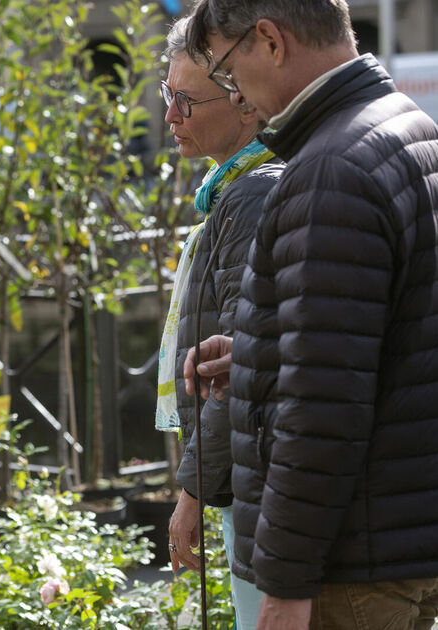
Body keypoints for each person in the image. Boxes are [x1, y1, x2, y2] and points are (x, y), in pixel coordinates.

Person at [183, 1, 438, 627]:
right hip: (402, 540)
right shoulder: (406, 124)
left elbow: (321, 405)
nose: (235, 94)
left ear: (268, 40)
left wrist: (285, 589)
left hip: (349, 563)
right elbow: (394, 334)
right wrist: (260, 351)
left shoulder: (330, 168)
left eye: (224, 71)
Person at [153, 17, 281, 630]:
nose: (171, 116)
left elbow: (234, 365)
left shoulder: (253, 194)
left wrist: (191, 493)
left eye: (186, 100)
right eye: (165, 95)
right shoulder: (232, 189)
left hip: (257, 480)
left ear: (244, 102)